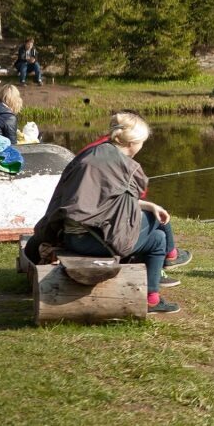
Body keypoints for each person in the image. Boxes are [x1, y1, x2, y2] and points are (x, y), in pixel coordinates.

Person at [30, 112, 191, 314]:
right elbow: (124, 206)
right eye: (142, 142)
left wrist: (149, 205)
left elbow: (107, 201)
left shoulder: (92, 153)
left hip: (69, 236)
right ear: (132, 143)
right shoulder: (127, 166)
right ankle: (164, 270)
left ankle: (159, 282)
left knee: (156, 230)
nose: (141, 147)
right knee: (157, 229)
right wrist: (150, 210)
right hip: (93, 241)